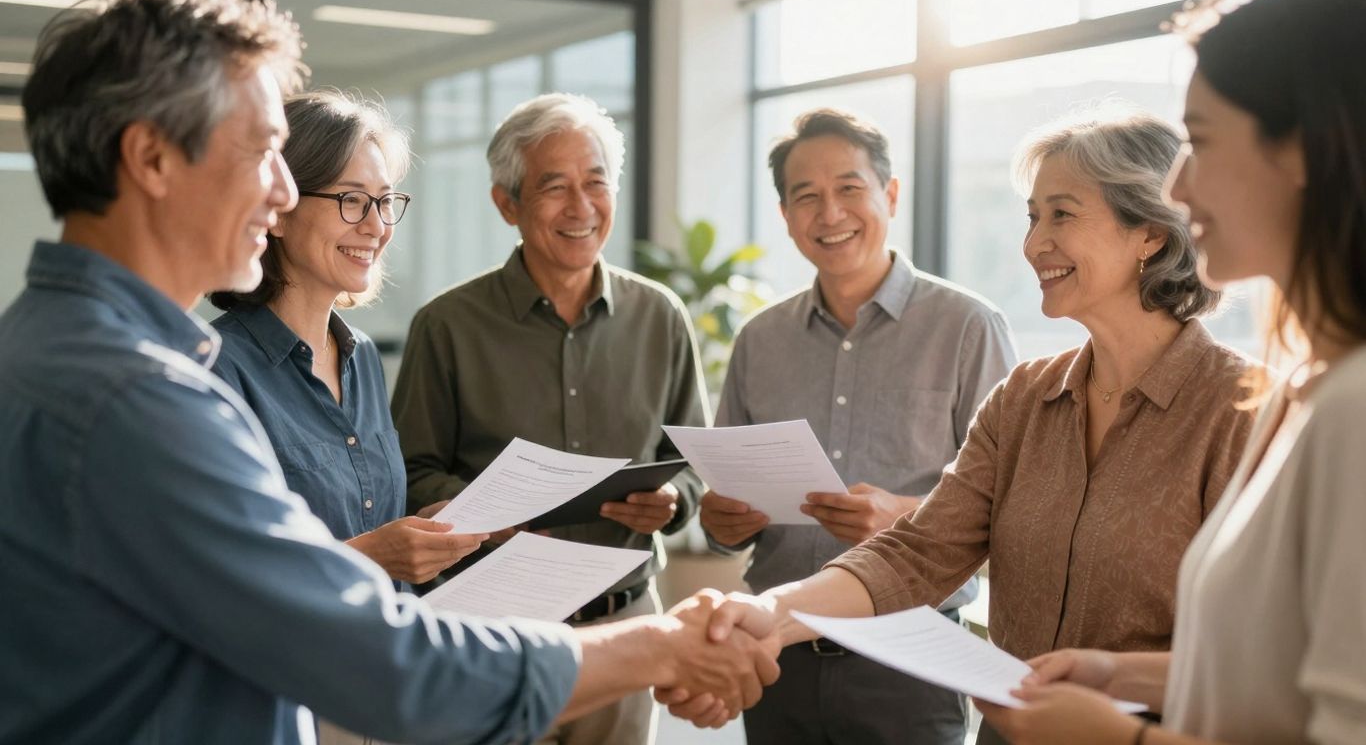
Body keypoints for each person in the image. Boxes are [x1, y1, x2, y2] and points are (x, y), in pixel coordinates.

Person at [0, 0, 776, 743]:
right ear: (152, 158)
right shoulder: (137, 397)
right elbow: (384, 663)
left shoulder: (54, 349)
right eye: (264, 151)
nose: (281, 191)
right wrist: (660, 646)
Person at [662, 106, 1258, 736]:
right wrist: (772, 613)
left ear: (1151, 234)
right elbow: (918, 552)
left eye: (1061, 214)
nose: (1033, 244)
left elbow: (1268, 646)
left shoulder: (1241, 411)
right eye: (1032, 217)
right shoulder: (1024, 398)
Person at [976, 0, 1366, 744]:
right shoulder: (1301, 394)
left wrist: (1119, 737)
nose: (1179, 189)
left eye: (1203, 142)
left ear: (1301, 149)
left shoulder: (1351, 409)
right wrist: (1117, 674)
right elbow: (1272, 668)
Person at [391, 92, 709, 745]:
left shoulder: (661, 316)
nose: (580, 207)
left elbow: (694, 458)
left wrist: (673, 501)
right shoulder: (447, 325)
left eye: (596, 182)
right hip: (491, 630)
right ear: (507, 203)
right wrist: (482, 513)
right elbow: (411, 471)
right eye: (554, 187)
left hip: (622, 627)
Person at [698, 108, 1017, 745]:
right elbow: (722, 512)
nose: (830, 213)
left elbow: (1014, 508)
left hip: (911, 659)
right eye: (806, 197)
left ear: (890, 195)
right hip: (778, 657)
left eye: (849, 188)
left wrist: (904, 516)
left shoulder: (968, 328)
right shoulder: (760, 340)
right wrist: (720, 522)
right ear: (785, 215)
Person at [209, 89, 483, 589]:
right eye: (351, 200)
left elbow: (365, 517)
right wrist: (370, 556)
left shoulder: (363, 356)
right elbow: (216, 572)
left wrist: (425, 529)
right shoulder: (215, 369)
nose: (377, 227)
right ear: (278, 209)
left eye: (384, 201)